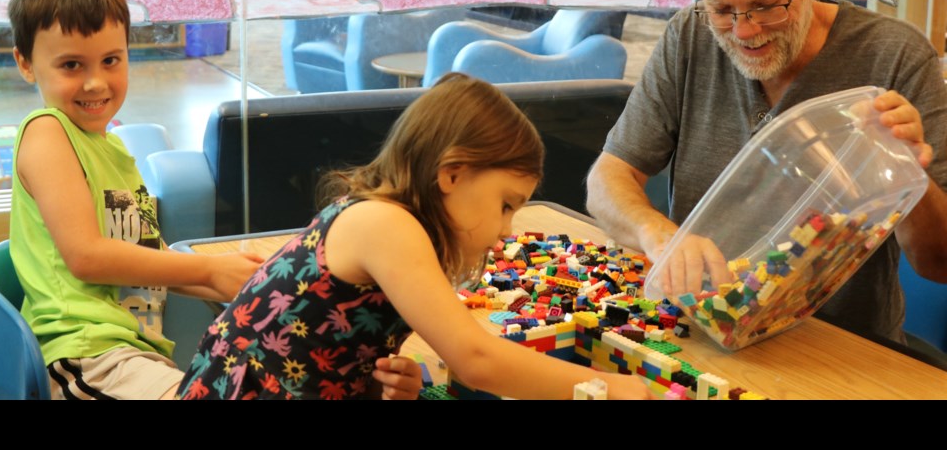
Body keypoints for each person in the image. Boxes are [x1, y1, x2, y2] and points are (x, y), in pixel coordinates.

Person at [586, 0, 947, 344]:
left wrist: (904, 171)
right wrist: (659, 236)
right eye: (722, 9)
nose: (745, 31)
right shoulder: (689, 37)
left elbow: (938, 264)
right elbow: (606, 181)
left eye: (766, 6)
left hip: (840, 351)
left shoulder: (895, 57)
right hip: (705, 335)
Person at [177, 73, 652, 400]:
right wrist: (606, 387)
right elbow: (475, 359)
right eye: (505, 204)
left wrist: (377, 382)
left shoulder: (385, 221)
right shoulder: (385, 224)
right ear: (451, 175)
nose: (507, 229)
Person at [8, 0, 264, 399]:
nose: (95, 82)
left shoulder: (113, 150)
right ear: (26, 64)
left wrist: (243, 279)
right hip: (87, 354)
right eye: (71, 65)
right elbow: (87, 257)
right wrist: (209, 268)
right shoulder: (47, 132)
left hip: (135, 353)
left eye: (111, 60)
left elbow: (142, 258)